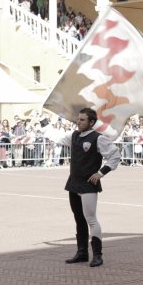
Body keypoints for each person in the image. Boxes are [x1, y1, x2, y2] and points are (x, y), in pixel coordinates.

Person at [51, 108, 120, 267]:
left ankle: (97, 255)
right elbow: (57, 138)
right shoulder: (73, 136)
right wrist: (43, 126)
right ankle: (82, 253)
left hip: (88, 185)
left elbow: (115, 156)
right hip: (73, 183)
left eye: (82, 120)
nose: (78, 122)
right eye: (78, 119)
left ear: (91, 122)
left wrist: (101, 173)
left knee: (91, 219)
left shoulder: (99, 138)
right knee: (78, 219)